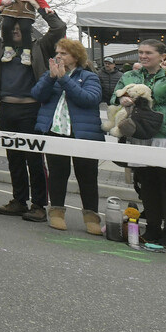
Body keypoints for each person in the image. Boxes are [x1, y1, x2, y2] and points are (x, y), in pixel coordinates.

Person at [0, 0, 66, 221]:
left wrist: (38, 6)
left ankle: (38, 205)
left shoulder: (39, 47)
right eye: (12, 27)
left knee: (34, 159)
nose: (16, 30)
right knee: (13, 157)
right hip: (6, 108)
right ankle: (18, 201)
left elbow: (59, 28)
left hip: (31, 110)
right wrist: (0, 8)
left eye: (20, 27)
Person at [117, 40, 166, 250]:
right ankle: (152, 227)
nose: (143, 56)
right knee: (147, 185)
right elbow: (116, 94)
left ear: (162, 56)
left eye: (148, 53)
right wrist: (121, 98)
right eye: (140, 52)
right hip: (141, 134)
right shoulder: (130, 75)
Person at [29, 38, 105, 234]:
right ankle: (56, 213)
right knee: (57, 173)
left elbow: (89, 99)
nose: (58, 56)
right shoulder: (51, 75)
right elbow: (38, 95)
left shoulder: (89, 77)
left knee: (87, 175)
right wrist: (51, 78)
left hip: (83, 134)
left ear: (75, 56)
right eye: (57, 52)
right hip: (56, 131)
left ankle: (91, 216)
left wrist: (64, 79)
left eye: (63, 53)